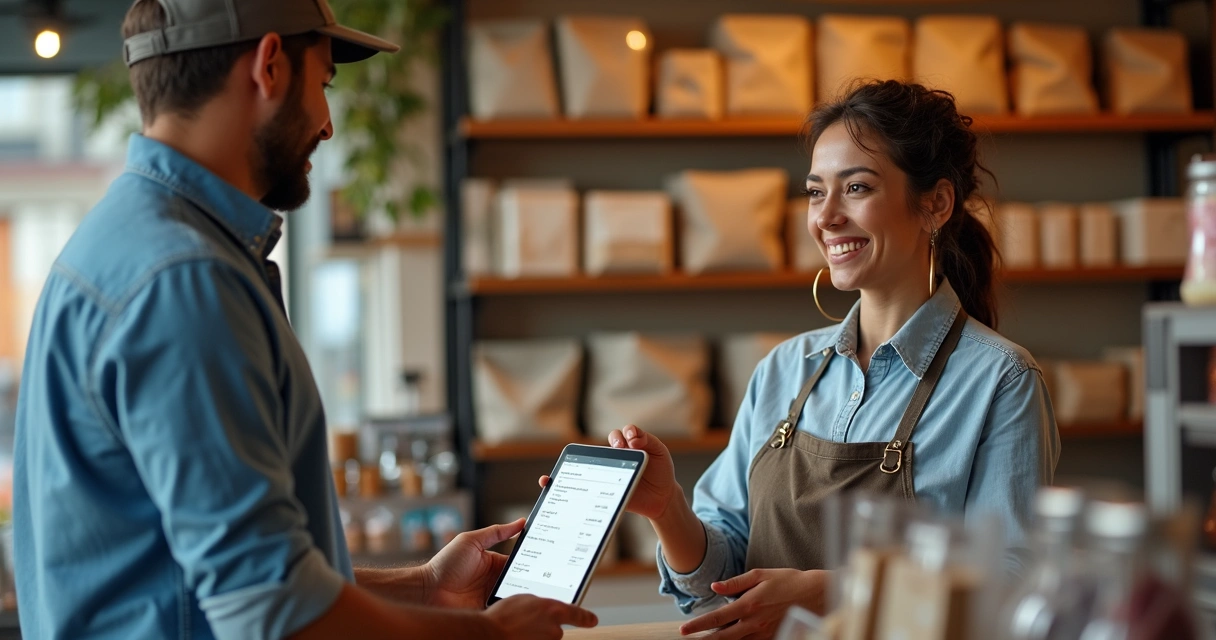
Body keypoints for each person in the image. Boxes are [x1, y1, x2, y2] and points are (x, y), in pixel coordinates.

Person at [12, 1, 596, 638]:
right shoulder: (184, 282)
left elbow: (210, 573)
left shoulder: (119, 244)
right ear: (268, 67)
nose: (327, 124)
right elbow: (272, 609)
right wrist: (491, 634)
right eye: (323, 83)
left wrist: (425, 586)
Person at [549, 80, 1061, 639]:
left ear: (935, 204)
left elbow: (1010, 586)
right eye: (816, 192)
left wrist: (833, 594)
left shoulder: (1000, 380)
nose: (827, 217)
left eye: (857, 188)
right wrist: (667, 508)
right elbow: (720, 580)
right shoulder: (784, 368)